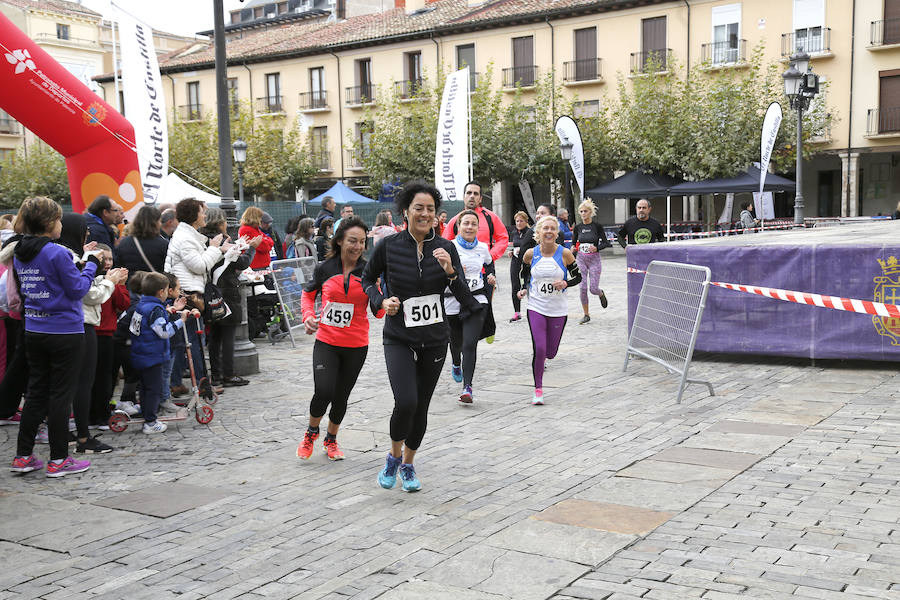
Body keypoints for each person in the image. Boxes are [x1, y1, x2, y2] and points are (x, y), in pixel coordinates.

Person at [362, 180, 477, 492]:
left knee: (421, 406)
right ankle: (393, 457)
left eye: (430, 209)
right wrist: (381, 301)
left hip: (435, 339)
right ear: (406, 211)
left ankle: (409, 464)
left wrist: (451, 271)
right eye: (419, 208)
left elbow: (465, 298)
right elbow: (367, 279)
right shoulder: (388, 246)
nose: (425, 214)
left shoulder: (446, 248)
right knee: (406, 401)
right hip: (398, 335)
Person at [10, 197, 99, 477]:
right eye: (59, 219)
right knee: (61, 395)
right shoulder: (57, 253)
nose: (61, 224)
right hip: (64, 331)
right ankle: (59, 459)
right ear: (50, 224)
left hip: (35, 329)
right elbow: (77, 290)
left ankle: (23, 456)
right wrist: (92, 266)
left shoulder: (19, 250)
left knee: (36, 393)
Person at [297, 217, 382, 461]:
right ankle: (311, 432)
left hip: (356, 344)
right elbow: (307, 295)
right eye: (352, 241)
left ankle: (331, 439)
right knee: (323, 391)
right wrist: (308, 316)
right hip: (327, 341)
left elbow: (377, 311)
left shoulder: (368, 270)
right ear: (340, 241)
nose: (357, 247)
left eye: (362, 242)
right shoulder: (325, 268)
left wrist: (381, 292)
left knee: (342, 396)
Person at [57, 215, 127, 454]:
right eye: (84, 231)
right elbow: (87, 294)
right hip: (80, 323)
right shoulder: (67, 257)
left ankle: (60, 436)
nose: (88, 235)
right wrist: (109, 281)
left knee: (59, 386)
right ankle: (83, 438)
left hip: (53, 325)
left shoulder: (53, 254)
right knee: (82, 384)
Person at [165, 198, 232, 383]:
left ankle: (179, 382)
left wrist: (218, 249)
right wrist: (215, 249)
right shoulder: (185, 238)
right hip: (188, 295)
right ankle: (201, 383)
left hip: (188, 292)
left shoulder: (188, 235)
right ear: (194, 215)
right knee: (191, 341)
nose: (205, 215)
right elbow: (200, 265)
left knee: (185, 341)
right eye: (202, 211)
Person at [517, 215, 582, 405]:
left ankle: (545, 358)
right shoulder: (531, 254)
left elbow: (578, 277)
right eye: (545, 228)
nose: (549, 231)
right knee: (540, 348)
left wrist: (565, 283)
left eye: (553, 228)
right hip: (536, 306)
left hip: (558, 309)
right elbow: (523, 272)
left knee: (551, 352)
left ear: (557, 233)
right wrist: (522, 288)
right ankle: (538, 389)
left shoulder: (565, 254)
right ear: (539, 232)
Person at [201, 207, 259, 387]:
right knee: (227, 337)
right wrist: (251, 248)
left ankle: (216, 374)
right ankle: (228, 374)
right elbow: (241, 262)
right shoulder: (223, 240)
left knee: (214, 338)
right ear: (220, 222)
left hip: (209, 292)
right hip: (226, 292)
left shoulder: (202, 239)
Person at [445, 210, 495, 404]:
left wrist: (490, 276)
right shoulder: (449, 247)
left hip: (476, 301)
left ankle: (468, 387)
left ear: (477, 227)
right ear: (458, 226)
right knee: (455, 343)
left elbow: (490, 265)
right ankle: (456, 362)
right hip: (452, 301)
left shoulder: (482, 248)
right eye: (466, 223)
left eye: (473, 224)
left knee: (469, 344)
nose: (469, 227)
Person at [130, 272, 189, 434]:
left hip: (140, 353)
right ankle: (150, 421)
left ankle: (146, 413)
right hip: (152, 355)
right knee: (153, 389)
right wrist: (180, 321)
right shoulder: (155, 308)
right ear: (161, 292)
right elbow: (163, 331)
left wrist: (168, 311)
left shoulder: (142, 304)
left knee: (144, 388)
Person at [441, 181, 509, 262]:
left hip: (485, 270)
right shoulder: (454, 220)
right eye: (469, 193)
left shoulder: (490, 217)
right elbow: (444, 244)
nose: (472, 196)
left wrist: (490, 256)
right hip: (462, 270)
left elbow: (503, 238)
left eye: (475, 193)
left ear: (480, 198)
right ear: (464, 196)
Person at [572, 200, 610, 324]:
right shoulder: (578, 227)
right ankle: (586, 314)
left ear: (591, 212)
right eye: (581, 211)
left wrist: (597, 247)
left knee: (593, 289)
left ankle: (600, 293)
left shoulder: (597, 226)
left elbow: (606, 243)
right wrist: (573, 249)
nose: (583, 213)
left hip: (594, 259)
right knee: (582, 287)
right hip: (581, 259)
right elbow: (574, 244)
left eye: (586, 211)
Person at [115, 205, 168, 275]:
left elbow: (118, 266)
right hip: (155, 283)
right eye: (159, 221)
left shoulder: (124, 243)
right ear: (155, 223)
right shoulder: (163, 244)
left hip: (131, 283)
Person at [508, 211, 532, 323]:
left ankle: (533, 310)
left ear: (526, 221)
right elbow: (515, 246)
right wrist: (512, 251)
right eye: (517, 221)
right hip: (515, 262)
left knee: (528, 286)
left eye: (521, 221)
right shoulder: (515, 233)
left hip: (527, 262)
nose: (518, 223)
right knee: (515, 286)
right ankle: (517, 312)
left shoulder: (530, 232)